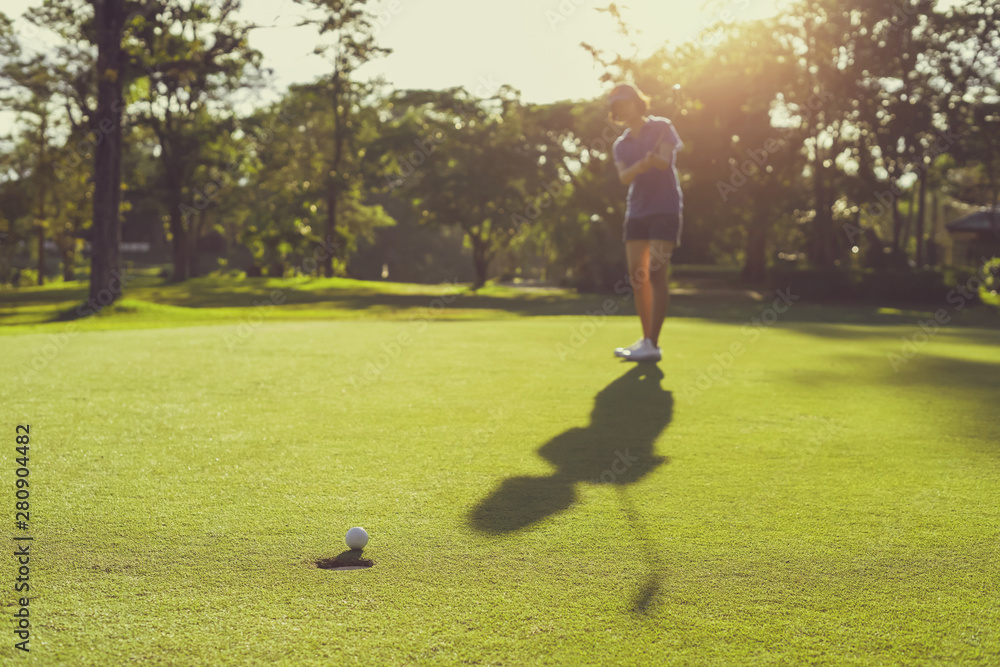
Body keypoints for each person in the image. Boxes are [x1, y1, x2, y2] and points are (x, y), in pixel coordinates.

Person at [608, 82, 684, 363]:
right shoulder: (621, 144)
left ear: (637, 102)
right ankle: (645, 340)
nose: (622, 108)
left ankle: (653, 342)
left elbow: (665, 162)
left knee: (656, 271)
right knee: (637, 276)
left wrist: (656, 157)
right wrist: (642, 163)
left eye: (625, 102)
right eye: (617, 106)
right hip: (637, 211)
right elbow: (624, 177)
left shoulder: (663, 126)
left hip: (665, 208)